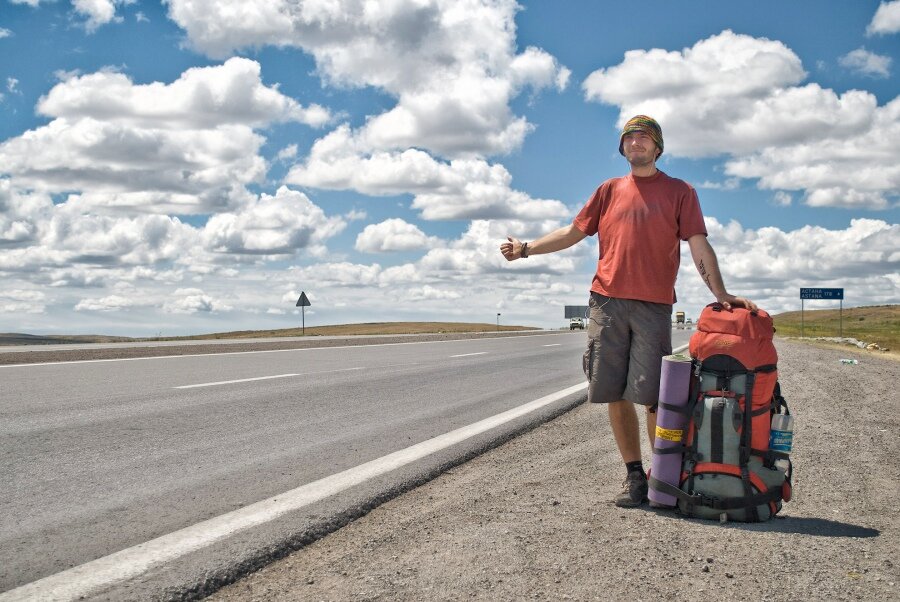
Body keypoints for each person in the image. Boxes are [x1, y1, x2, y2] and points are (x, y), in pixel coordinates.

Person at [499, 115, 756, 507]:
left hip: (653, 306)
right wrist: (526, 248)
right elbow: (573, 232)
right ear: (623, 148)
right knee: (614, 391)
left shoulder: (680, 191)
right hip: (606, 302)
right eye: (629, 138)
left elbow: (698, 244)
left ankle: (665, 476)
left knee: (656, 397)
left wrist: (721, 292)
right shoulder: (608, 190)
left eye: (644, 138)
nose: (636, 143)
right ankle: (634, 476)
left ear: (657, 147)